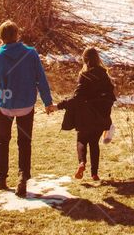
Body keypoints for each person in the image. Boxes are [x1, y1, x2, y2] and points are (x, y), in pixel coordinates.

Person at [0, 20, 55, 197]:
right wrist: (47, 102)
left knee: (2, 142)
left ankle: (2, 177)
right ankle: (22, 177)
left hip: (6, 105)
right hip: (26, 104)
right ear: (17, 35)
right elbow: (41, 79)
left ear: (1, 37)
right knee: (24, 142)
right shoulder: (31, 53)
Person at [57, 47, 116, 181]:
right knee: (94, 143)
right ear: (98, 59)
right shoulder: (105, 75)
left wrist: (59, 105)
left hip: (85, 116)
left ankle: (82, 163)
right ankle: (94, 174)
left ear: (85, 60)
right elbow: (111, 97)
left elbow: (76, 98)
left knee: (82, 140)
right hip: (101, 117)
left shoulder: (85, 76)